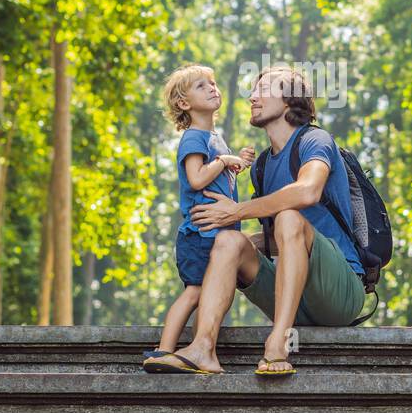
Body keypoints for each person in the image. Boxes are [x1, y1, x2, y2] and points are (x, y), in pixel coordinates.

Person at [144, 66, 364, 376]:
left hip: (340, 296)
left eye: (264, 90)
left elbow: (307, 191)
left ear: (289, 100)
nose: (252, 97)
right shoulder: (261, 166)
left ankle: (278, 345)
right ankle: (203, 349)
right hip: (295, 301)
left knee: (288, 216)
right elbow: (282, 242)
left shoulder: (315, 139)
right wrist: (227, 249)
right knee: (228, 241)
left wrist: (236, 211)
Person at [142, 65, 252, 372]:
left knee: (204, 293)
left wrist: (237, 162)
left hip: (215, 235)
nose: (212, 88)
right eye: (202, 86)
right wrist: (224, 160)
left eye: (213, 83)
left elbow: (218, 180)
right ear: (184, 103)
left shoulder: (213, 138)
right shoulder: (193, 138)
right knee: (194, 292)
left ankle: (192, 349)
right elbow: (197, 179)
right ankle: (164, 350)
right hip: (200, 235)